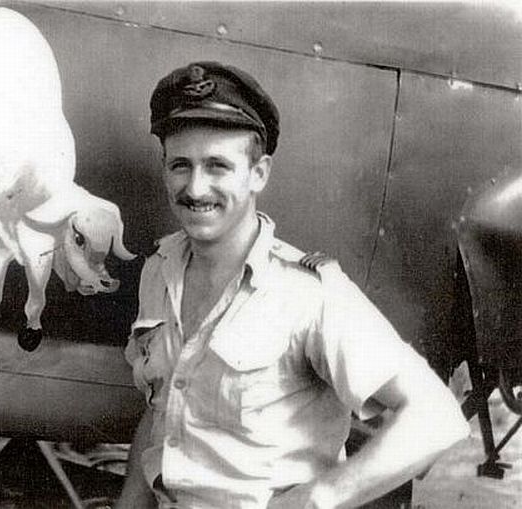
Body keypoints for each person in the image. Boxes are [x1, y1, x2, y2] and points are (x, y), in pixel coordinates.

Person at [116, 62, 470, 509]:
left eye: (218, 166)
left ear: (259, 173)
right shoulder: (159, 272)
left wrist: (319, 496)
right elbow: (161, 413)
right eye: (180, 165)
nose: (195, 187)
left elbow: (436, 416)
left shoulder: (307, 294)